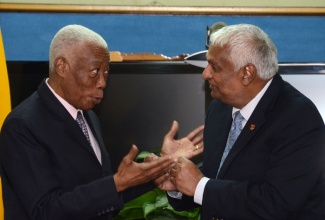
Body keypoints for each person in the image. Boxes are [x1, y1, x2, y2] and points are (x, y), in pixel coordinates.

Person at [0, 24, 204, 220]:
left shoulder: (87, 116)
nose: (103, 83)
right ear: (62, 67)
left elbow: (102, 196)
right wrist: (116, 184)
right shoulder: (22, 126)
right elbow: (44, 211)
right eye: (95, 72)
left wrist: (158, 168)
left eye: (106, 73)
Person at [164, 24, 325, 219]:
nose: (205, 74)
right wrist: (177, 184)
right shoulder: (220, 108)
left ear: (247, 73)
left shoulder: (299, 119)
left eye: (215, 67)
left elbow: (276, 203)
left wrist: (199, 186)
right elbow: (218, 179)